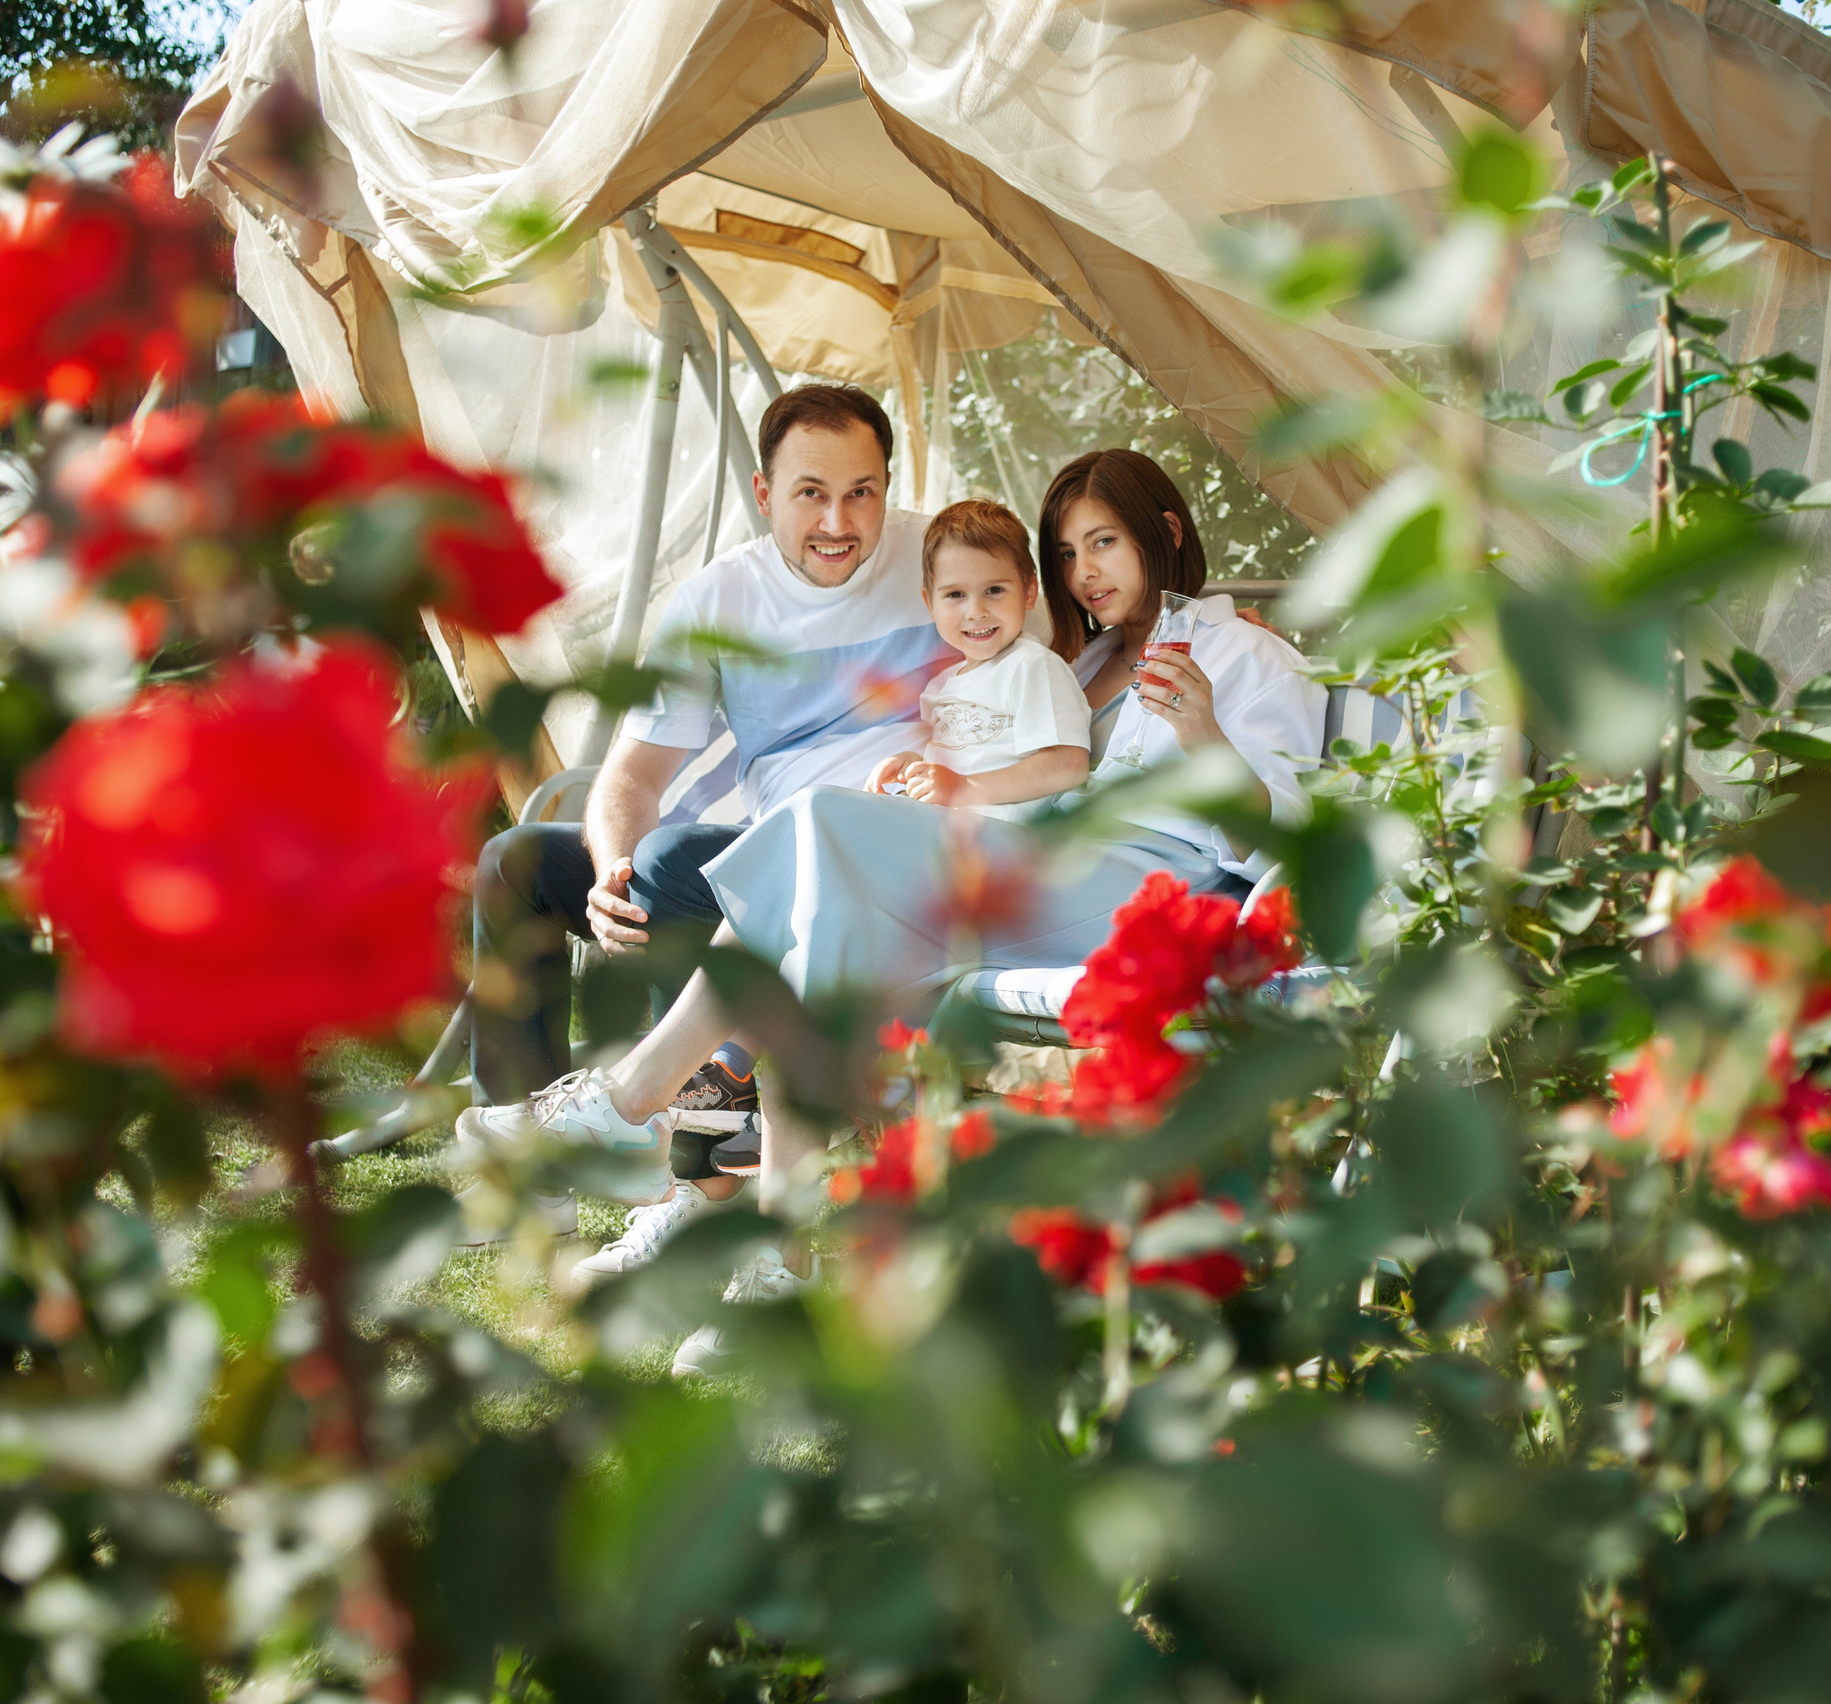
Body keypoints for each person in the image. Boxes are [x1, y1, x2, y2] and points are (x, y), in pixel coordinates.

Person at [477, 447, 1339, 1374]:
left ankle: (637, 1101)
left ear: (1166, 534)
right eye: (1070, 551)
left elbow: (1292, 844)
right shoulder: (1081, 659)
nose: (1087, 571)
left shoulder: (1245, 652)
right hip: (1036, 871)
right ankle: (778, 1253)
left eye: (1107, 542)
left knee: (818, 830)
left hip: (1142, 890)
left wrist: (1207, 738)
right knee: (821, 897)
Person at [461, 383, 950, 1256]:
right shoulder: (716, 604)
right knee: (517, 863)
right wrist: (610, 873)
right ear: (763, 495)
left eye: (863, 491)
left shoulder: (941, 563)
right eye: (811, 493)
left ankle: (684, 1157)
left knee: (677, 858)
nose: (839, 520)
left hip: (882, 862)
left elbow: (1054, 650)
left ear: (889, 483)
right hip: (766, 858)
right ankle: (538, 1172)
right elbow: (631, 776)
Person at [863, 499, 1090, 821]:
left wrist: (965, 786)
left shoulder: (1031, 666)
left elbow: (1067, 765)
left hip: (1006, 836)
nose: (976, 612)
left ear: (1028, 592)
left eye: (994, 589)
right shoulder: (940, 685)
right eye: (955, 595)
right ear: (930, 603)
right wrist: (914, 766)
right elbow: (959, 758)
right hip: (947, 831)